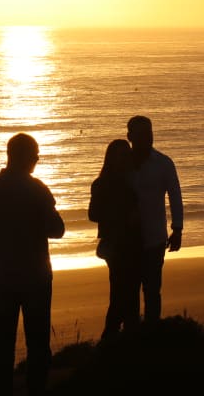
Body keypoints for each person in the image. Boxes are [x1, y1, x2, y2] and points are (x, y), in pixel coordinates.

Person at [0, 133, 65, 396]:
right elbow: (57, 229)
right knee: (38, 344)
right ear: (25, 158)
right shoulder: (38, 189)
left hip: (3, 276)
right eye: (35, 156)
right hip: (36, 277)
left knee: (4, 345)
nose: (38, 160)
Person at [126, 115, 183, 322]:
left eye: (149, 133)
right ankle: (131, 336)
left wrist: (177, 229)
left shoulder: (163, 163)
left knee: (152, 291)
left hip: (154, 238)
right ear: (130, 137)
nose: (147, 138)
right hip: (127, 240)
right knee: (128, 293)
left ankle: (151, 333)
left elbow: (175, 195)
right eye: (141, 134)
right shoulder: (122, 164)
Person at [88, 139, 143, 340]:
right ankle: (111, 337)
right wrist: (119, 215)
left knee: (129, 294)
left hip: (133, 243)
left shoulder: (133, 181)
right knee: (121, 293)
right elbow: (93, 214)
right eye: (120, 155)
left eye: (126, 155)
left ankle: (123, 337)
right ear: (111, 158)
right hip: (115, 245)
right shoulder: (101, 184)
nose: (124, 159)